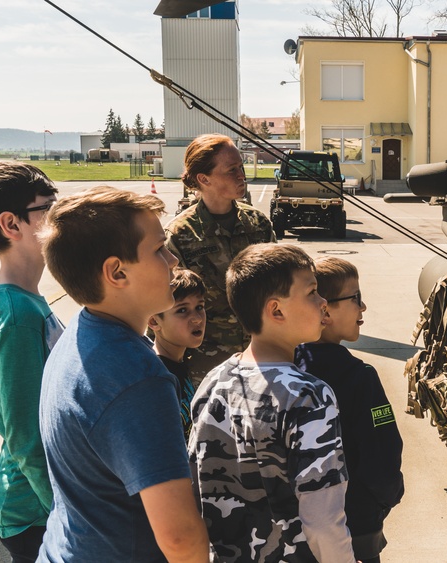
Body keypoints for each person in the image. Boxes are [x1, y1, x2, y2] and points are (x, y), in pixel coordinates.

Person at [36, 186, 209, 562]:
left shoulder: (80, 332)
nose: (173, 260)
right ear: (117, 272)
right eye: (159, 249)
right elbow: (180, 538)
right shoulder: (137, 377)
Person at [187, 243, 355, 562]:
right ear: (276, 311)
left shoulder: (213, 382)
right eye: (312, 292)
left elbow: (195, 489)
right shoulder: (309, 396)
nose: (323, 302)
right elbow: (322, 520)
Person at [0, 163, 62, 562]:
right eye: (48, 209)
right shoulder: (17, 317)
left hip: (37, 502)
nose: (59, 218)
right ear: (11, 224)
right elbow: (26, 438)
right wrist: (69, 513)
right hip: (35, 510)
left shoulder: (21, 300)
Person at [295, 257, 404, 563]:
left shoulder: (288, 368)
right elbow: (382, 458)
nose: (362, 307)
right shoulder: (360, 378)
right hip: (355, 526)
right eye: (355, 298)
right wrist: (385, 500)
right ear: (325, 310)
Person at [165, 133, 276, 388]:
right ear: (204, 179)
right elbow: (164, 307)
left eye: (241, 167)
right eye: (231, 170)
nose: (241, 175)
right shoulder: (180, 235)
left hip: (261, 359)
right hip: (205, 367)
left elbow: (280, 285)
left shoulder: (258, 224)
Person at [148, 267, 207, 439]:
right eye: (182, 310)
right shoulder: (157, 377)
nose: (197, 318)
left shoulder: (180, 361)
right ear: (154, 321)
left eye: (199, 307)